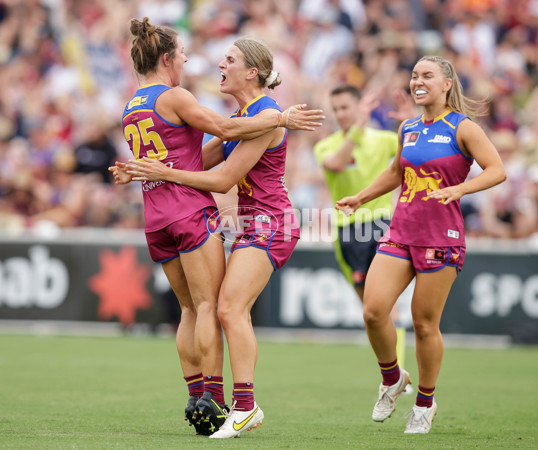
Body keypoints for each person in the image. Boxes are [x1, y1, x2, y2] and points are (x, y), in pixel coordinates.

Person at [109, 18, 323, 437]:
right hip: (229, 220)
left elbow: (220, 176)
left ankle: (231, 403)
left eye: (229, 60)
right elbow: (202, 159)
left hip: (268, 222)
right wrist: (148, 169)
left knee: (218, 308)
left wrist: (155, 172)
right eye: (189, 54)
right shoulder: (243, 114)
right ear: (168, 58)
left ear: (252, 72)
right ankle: (216, 400)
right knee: (212, 307)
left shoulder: (258, 113)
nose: (214, 64)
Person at [336, 55, 506, 434]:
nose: (418, 81)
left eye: (427, 75)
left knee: (424, 325)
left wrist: (462, 188)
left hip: (441, 237)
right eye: (414, 75)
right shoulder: (408, 127)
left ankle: (425, 404)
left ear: (447, 83)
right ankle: (393, 378)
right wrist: (361, 197)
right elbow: (397, 172)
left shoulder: (463, 128)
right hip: (401, 231)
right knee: (373, 311)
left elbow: (497, 170)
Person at [313, 84, 413, 396]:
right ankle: (394, 373)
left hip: (382, 225)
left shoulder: (383, 140)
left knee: (387, 306)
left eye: (346, 107)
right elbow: (336, 164)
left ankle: (398, 378)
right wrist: (357, 129)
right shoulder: (327, 146)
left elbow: (409, 159)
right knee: (371, 311)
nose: (341, 114)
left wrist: (410, 126)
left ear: (359, 107)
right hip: (349, 232)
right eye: (337, 108)